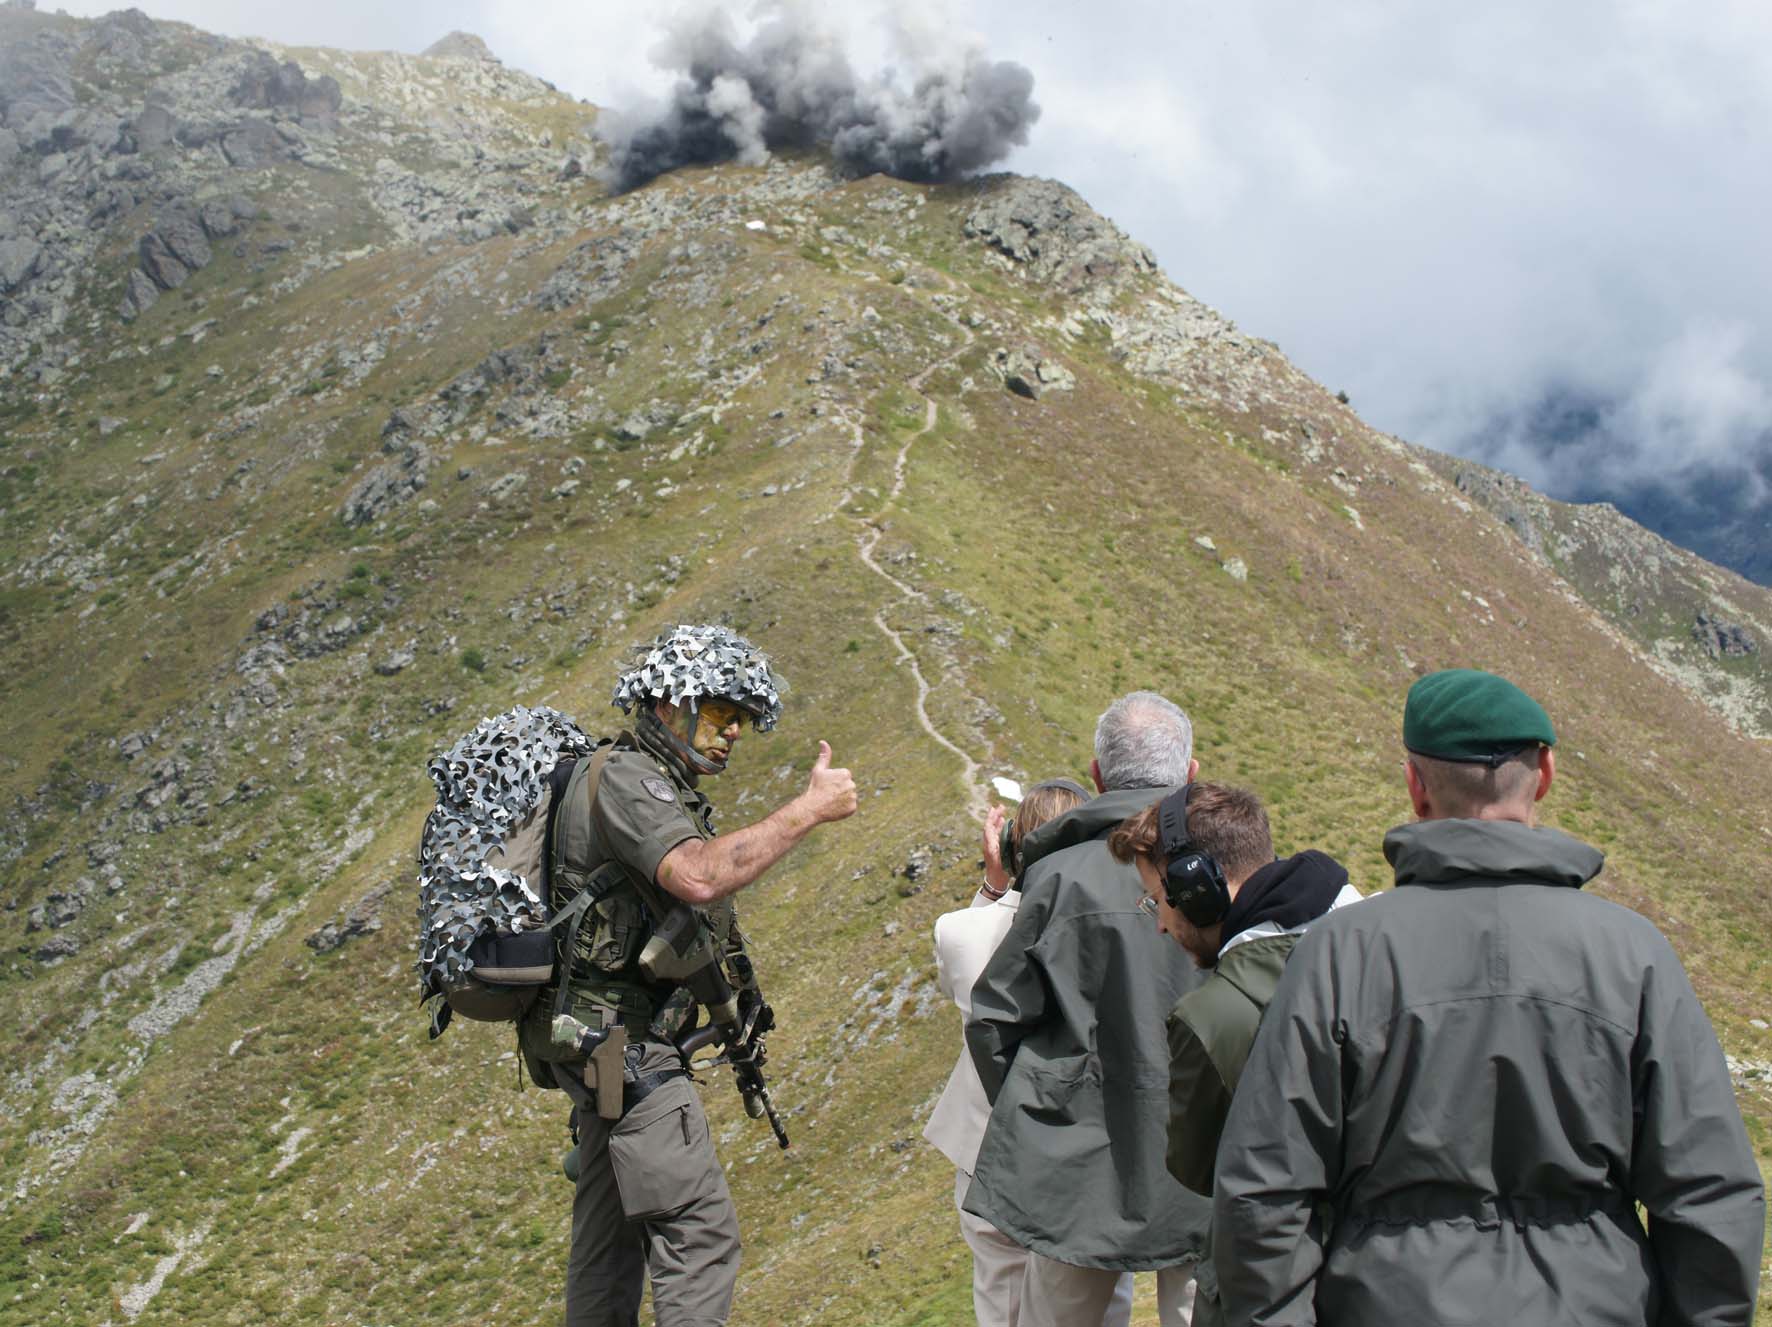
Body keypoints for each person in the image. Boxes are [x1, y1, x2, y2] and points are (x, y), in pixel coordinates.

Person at [1212, 668, 1766, 1326]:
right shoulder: (1635, 955)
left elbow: (1262, 1191)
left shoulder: (1339, 953)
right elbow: (1710, 1191)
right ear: (1548, 774)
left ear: (1416, 787)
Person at [531, 624, 858, 1327]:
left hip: (600, 1050)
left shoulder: (637, 778)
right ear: (667, 703)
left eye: (739, 718)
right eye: (719, 713)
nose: (734, 731)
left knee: (609, 1245)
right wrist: (810, 808)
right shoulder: (630, 779)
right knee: (701, 1239)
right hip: (630, 1050)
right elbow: (699, 875)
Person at [966, 691, 1211, 1327]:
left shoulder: (1056, 877)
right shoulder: (1228, 873)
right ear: (1189, 775)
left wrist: (1045, 1117)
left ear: (1098, 778)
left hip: (1079, 1165)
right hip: (1208, 1153)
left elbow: (995, 1019)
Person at [1106, 782, 1359, 1326]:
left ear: (1198, 889)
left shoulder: (1211, 1017)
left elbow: (1199, 1169)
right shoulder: (1385, 940)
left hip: (1274, 1291)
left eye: (1159, 899)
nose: (1159, 923)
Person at [925, 779, 1134, 1327]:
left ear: (1015, 848)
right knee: (1101, 1292)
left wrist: (995, 888)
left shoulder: (961, 932)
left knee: (1002, 1293)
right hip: (1091, 1142)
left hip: (988, 1144)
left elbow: (965, 976)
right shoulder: (1120, 922)